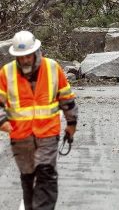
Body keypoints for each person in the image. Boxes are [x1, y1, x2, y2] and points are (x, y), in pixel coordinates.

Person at [0, 31, 78, 210]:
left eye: (28, 56)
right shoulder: (7, 73)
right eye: (21, 57)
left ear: (36, 52)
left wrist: (71, 124)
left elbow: (67, 99)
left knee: (46, 174)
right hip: (20, 137)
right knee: (28, 177)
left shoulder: (52, 68)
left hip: (47, 134)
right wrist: (2, 120)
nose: (25, 60)